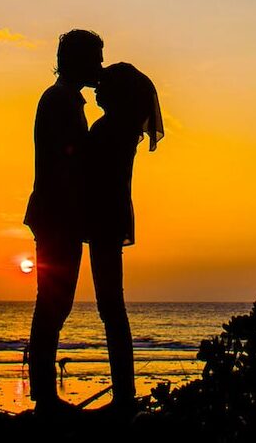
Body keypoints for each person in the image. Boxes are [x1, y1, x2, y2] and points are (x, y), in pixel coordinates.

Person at [24, 29, 104, 412]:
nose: (100, 66)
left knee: (56, 303)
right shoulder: (58, 100)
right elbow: (65, 163)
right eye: (96, 58)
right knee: (53, 303)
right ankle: (43, 395)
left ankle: (43, 393)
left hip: (60, 214)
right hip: (57, 215)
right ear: (77, 60)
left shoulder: (66, 99)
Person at [81, 63, 163, 415]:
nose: (97, 91)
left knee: (111, 306)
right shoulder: (125, 129)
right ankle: (124, 393)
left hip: (103, 218)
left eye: (104, 87)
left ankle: (124, 397)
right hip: (110, 217)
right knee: (112, 306)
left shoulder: (109, 129)